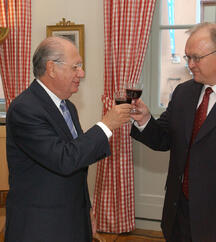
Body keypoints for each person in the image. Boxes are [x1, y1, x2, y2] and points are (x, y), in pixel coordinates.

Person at [130, 22, 216, 242]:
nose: (190, 65)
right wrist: (145, 120)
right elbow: (165, 138)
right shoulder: (183, 93)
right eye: (187, 58)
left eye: (196, 57)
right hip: (179, 216)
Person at [4, 36, 131, 242]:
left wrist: (87, 211)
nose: (81, 73)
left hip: (71, 219)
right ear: (51, 68)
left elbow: (78, 164)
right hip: (40, 227)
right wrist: (106, 125)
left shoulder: (67, 106)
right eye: (76, 67)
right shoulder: (24, 108)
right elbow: (64, 159)